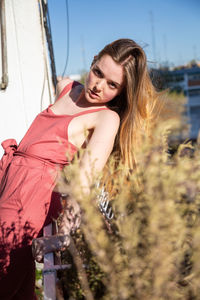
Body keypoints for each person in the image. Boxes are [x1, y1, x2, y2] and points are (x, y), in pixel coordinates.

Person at [0, 38, 160, 299]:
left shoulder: (107, 118)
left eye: (112, 85)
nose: (98, 86)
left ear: (122, 91)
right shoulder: (66, 88)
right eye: (98, 72)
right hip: (7, 182)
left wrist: (62, 235)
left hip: (27, 202)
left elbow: (85, 177)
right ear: (93, 61)